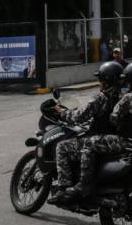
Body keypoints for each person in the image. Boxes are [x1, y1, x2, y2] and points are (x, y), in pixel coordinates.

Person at [48, 61, 124, 203]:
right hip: (115, 141)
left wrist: (62, 113)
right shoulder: (123, 97)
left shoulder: (101, 98)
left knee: (62, 147)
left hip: (100, 138)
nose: (99, 82)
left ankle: (64, 188)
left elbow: (79, 117)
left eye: (100, 79)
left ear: (105, 80)